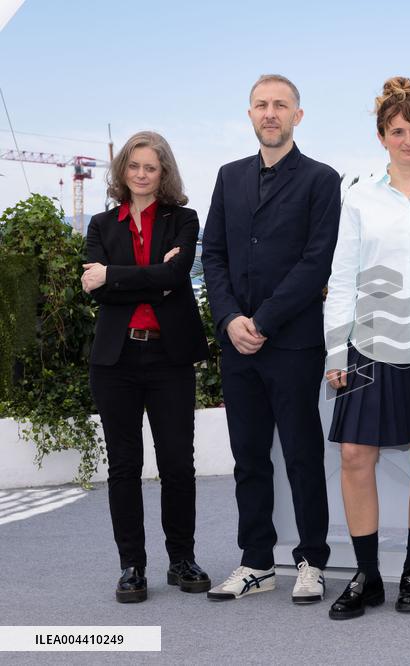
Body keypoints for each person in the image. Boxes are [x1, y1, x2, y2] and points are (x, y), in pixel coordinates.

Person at [323, 77, 410, 620]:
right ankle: (367, 576)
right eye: (398, 131)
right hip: (369, 343)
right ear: (382, 137)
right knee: (356, 455)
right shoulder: (358, 197)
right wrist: (336, 351)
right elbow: (342, 278)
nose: (409, 139)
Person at [201, 74, 341, 604]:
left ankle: (311, 561)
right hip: (237, 344)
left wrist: (262, 322)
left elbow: (315, 263)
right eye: (261, 105)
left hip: (291, 344)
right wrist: (231, 318)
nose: (270, 113)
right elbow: (212, 253)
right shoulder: (228, 176)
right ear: (250, 113)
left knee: (303, 456)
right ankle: (256, 561)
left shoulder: (321, 180)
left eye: (280, 105)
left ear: (297, 116)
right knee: (249, 458)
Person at [82, 130, 211, 603]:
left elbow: (175, 278)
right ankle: (132, 566)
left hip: (168, 356)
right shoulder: (100, 224)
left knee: (178, 463)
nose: (141, 174)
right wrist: (152, 279)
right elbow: (96, 288)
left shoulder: (183, 219)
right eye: (133, 167)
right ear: (123, 172)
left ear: (163, 173)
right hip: (114, 361)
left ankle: (182, 558)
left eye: (150, 167)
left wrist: (115, 275)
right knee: (124, 466)